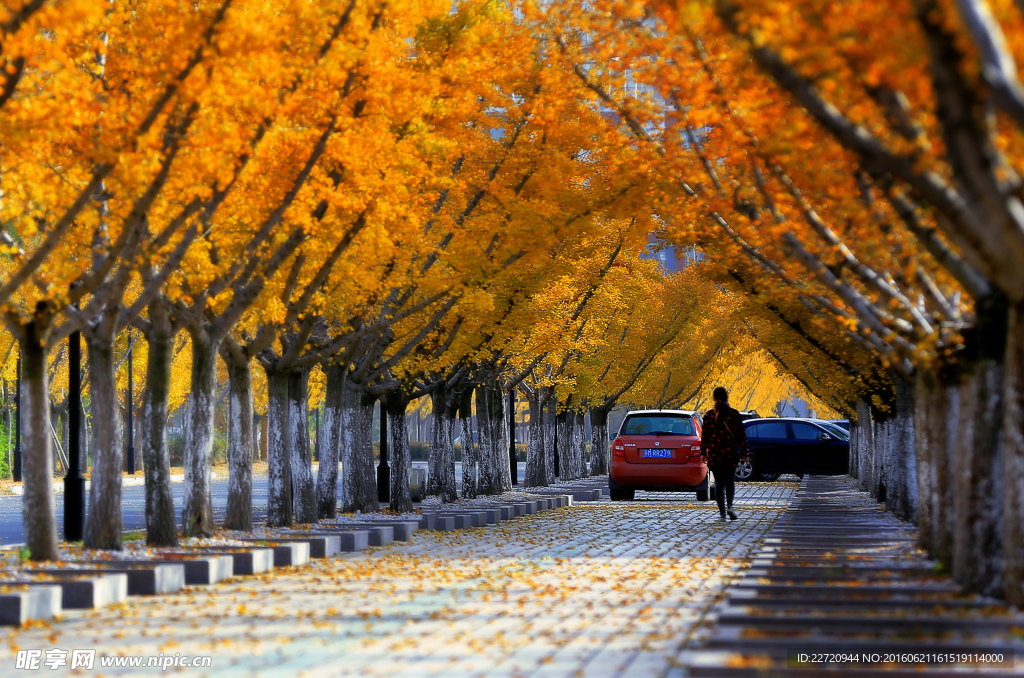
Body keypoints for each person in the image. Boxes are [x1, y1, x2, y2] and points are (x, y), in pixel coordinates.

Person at [700, 386, 749, 522]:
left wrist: (703, 452)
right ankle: (730, 506)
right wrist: (744, 453)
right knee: (730, 482)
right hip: (730, 453)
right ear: (726, 397)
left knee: (719, 484)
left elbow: (705, 436)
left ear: (714, 398)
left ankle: (722, 513)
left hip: (715, 454)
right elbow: (741, 436)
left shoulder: (709, 415)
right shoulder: (734, 414)